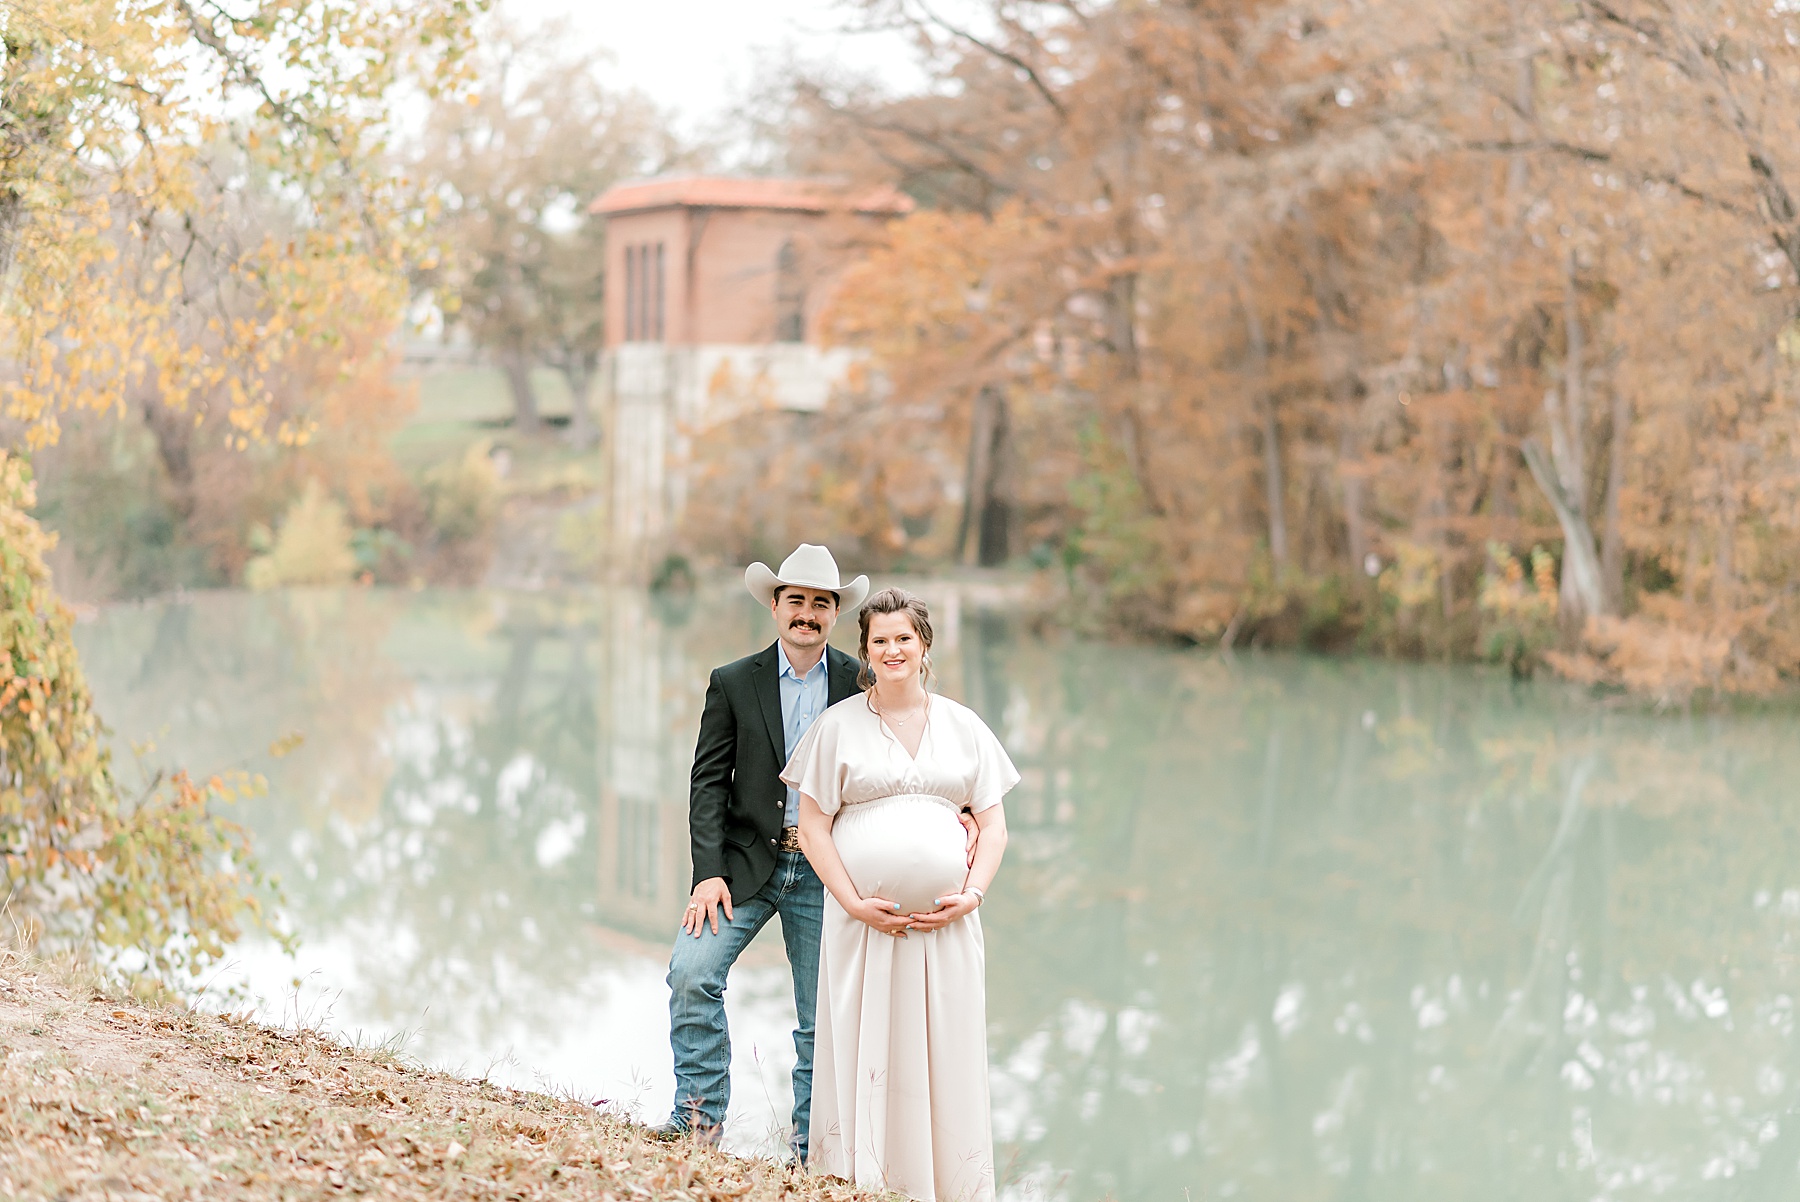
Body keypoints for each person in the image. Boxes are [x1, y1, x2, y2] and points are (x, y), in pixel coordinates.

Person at [653, 545, 976, 1158]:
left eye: (820, 604)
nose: (806, 613)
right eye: (795, 600)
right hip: (746, 864)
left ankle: (810, 1150)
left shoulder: (865, 681)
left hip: (829, 873)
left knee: (821, 1016)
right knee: (691, 973)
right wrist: (707, 874)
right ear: (775, 606)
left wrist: (959, 810)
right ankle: (696, 1124)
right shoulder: (731, 682)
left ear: (833, 614)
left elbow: (912, 750)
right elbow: (706, 785)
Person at [783, 587, 1018, 1202]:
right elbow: (811, 827)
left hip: (949, 929)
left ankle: (950, 1187)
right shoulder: (837, 728)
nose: (893, 650)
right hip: (864, 926)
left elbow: (992, 826)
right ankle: (858, 1182)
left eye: (903, 638)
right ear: (864, 650)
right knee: (868, 1053)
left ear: (924, 645)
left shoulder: (964, 726)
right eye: (880, 640)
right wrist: (853, 902)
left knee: (947, 1057)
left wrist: (972, 894)